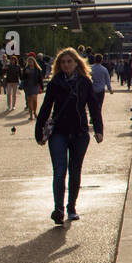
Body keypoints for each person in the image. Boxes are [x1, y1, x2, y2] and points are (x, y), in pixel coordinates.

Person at [36, 47, 104, 224]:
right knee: (59, 170)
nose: (66, 65)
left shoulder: (84, 82)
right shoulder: (54, 83)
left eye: (69, 62)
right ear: (58, 65)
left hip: (80, 132)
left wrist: (98, 129)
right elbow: (46, 107)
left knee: (75, 170)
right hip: (59, 131)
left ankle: (71, 207)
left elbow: (94, 107)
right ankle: (58, 209)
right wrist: (39, 130)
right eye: (63, 62)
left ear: (76, 63)